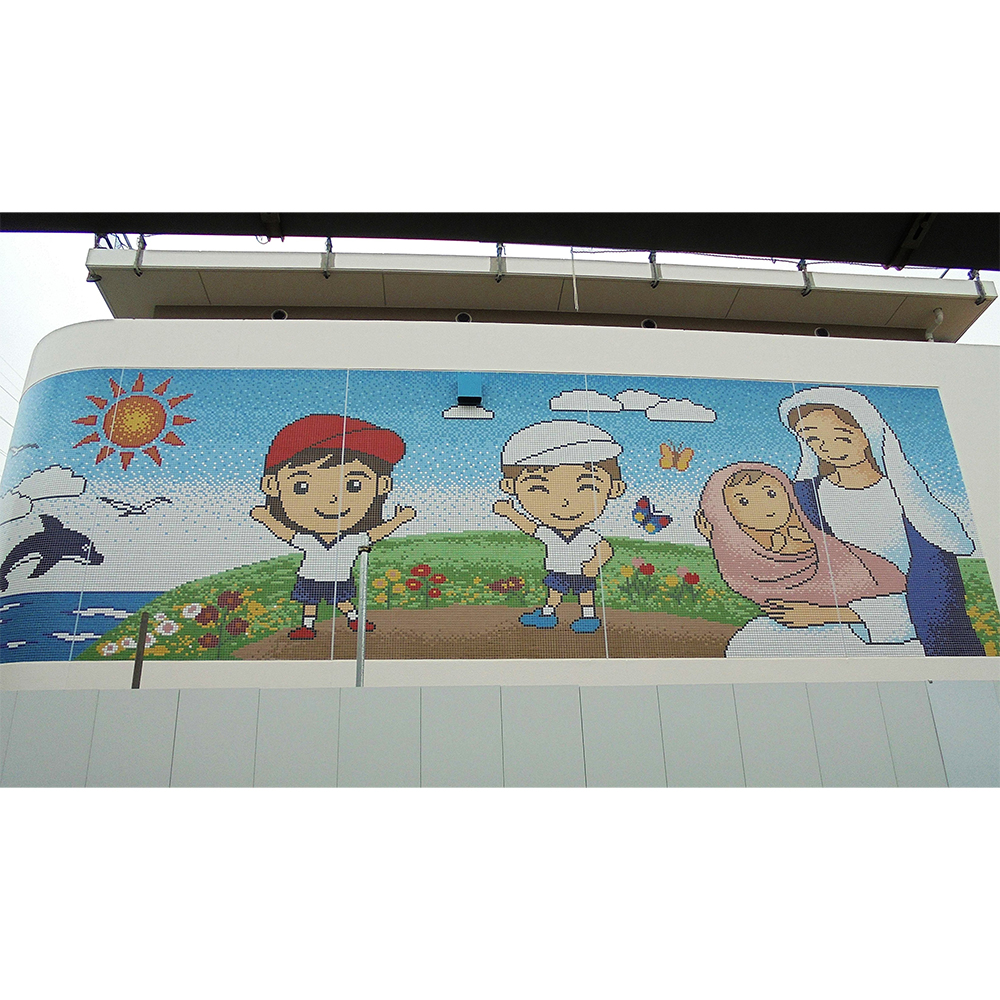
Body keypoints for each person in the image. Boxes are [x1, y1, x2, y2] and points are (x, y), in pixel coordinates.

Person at [779, 386, 983, 656]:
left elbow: (937, 602)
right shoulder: (805, 499)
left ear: (868, 433)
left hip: (910, 641)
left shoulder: (915, 508)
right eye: (814, 439)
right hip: (830, 634)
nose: (828, 448)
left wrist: (826, 614)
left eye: (841, 436)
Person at [696, 462, 923, 657]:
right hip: (801, 636)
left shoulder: (823, 547)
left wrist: (821, 614)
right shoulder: (752, 561)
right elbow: (744, 577)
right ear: (726, 513)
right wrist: (718, 538)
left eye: (771, 494)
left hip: (875, 635)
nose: (765, 507)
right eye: (744, 502)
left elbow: (899, 605)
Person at [250, 414, 415, 639]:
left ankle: (354, 619)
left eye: (354, 485)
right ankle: (308, 627)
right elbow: (286, 533)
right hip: (310, 577)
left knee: (343, 601)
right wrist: (266, 518)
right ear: (271, 485)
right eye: (302, 486)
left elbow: (376, 533)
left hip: (339, 578)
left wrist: (398, 520)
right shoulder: (309, 539)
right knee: (310, 602)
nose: (331, 499)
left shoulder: (353, 539)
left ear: (382, 485)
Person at [492, 420, 626, 634]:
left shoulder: (588, 535)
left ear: (615, 488)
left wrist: (594, 564)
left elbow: (605, 549)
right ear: (510, 486)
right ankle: (548, 614)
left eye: (586, 486)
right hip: (558, 569)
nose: (564, 501)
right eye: (539, 488)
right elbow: (529, 527)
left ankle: (588, 617)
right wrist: (510, 513)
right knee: (554, 592)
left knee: (585, 594)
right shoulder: (549, 532)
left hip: (583, 570)